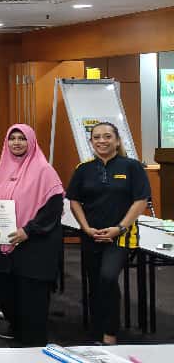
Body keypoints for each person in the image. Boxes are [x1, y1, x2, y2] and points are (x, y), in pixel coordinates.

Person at [67, 121, 150, 345]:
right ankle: (97, 330)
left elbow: (141, 200)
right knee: (95, 283)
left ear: (117, 140)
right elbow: (74, 200)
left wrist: (120, 228)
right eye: (96, 137)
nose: (102, 141)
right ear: (91, 141)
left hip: (121, 236)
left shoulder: (132, 167)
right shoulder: (83, 169)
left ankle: (110, 333)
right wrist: (85, 227)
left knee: (108, 277)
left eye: (107, 136)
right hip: (91, 235)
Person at [0, 124, 64, 345]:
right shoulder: (2, 169)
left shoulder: (44, 170)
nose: (17, 142)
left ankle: (33, 344)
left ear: (31, 141)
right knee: (5, 293)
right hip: (5, 243)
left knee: (33, 300)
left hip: (35, 245)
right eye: (12, 138)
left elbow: (53, 209)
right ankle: (18, 333)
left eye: (22, 138)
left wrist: (27, 231)